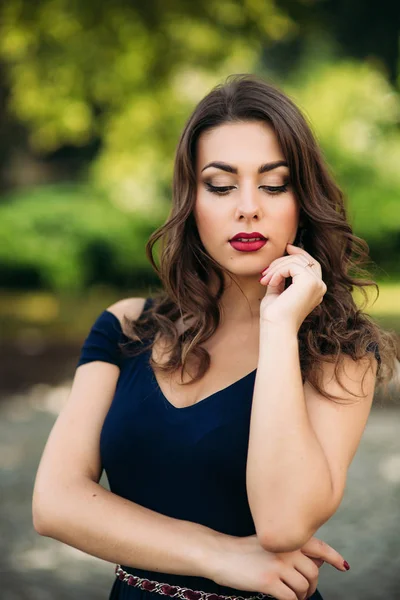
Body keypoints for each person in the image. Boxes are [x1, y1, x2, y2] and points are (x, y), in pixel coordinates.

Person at [32, 74, 398, 600]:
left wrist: (278, 331)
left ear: (302, 200)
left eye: (274, 184)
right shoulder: (126, 328)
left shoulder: (339, 352)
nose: (247, 206)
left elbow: (282, 524)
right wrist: (217, 554)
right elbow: (55, 503)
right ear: (191, 200)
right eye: (221, 185)